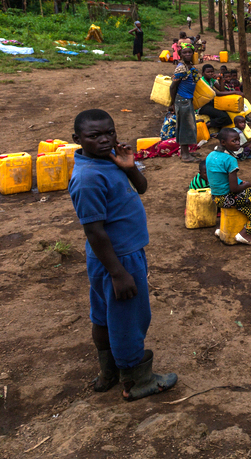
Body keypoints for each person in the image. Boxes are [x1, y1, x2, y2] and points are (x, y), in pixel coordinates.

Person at [68, 109, 178, 401]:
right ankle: (137, 380)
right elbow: (94, 231)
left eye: (110, 133)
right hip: (118, 258)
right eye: (94, 136)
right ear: (77, 139)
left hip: (111, 257)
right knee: (129, 319)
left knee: (105, 316)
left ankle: (109, 373)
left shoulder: (108, 161)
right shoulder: (88, 178)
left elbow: (141, 188)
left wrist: (129, 165)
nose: (105, 140)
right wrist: (118, 273)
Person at [206, 129, 251, 245]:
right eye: (234, 141)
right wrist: (247, 184)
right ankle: (245, 234)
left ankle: (226, 228)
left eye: (238, 140)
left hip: (216, 197)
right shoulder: (230, 159)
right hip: (228, 198)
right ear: (224, 143)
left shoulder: (211, 155)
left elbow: (219, 178)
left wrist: (241, 183)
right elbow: (234, 189)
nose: (237, 143)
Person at [169, 43, 200, 163]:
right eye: (184, 52)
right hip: (182, 100)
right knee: (185, 127)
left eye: (189, 52)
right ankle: (186, 155)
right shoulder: (181, 68)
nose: (187, 54)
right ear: (180, 55)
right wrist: (172, 103)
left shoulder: (190, 67)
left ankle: (184, 152)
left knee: (187, 126)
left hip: (187, 99)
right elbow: (173, 87)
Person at [198, 64, 242, 130]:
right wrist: (234, 92)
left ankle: (217, 126)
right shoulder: (203, 82)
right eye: (208, 72)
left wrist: (221, 78)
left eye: (212, 72)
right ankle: (208, 125)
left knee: (227, 110)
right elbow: (217, 93)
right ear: (203, 73)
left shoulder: (211, 80)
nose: (210, 73)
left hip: (211, 102)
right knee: (224, 117)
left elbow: (221, 89)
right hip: (202, 106)